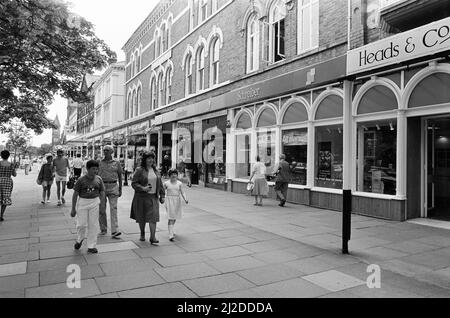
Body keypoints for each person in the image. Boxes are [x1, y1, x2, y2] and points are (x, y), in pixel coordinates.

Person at [70, 160, 106, 254]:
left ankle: (91, 246)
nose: (95, 171)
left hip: (94, 203)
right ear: (87, 169)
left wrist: (102, 205)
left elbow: (102, 192)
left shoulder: (99, 179)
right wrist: (73, 208)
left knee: (93, 225)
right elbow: (75, 194)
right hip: (83, 203)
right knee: (81, 224)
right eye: (93, 169)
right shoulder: (81, 180)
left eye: (96, 169)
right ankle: (80, 239)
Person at [131, 151, 165, 244]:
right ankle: (142, 233)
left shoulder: (156, 170)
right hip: (142, 197)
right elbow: (133, 183)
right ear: (144, 160)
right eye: (148, 158)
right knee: (142, 217)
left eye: (152, 158)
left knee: (153, 217)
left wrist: (162, 195)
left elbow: (160, 184)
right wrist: (143, 188)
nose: (151, 160)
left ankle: (152, 237)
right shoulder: (139, 170)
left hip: (153, 197)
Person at [98, 145, 123, 239]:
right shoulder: (99, 162)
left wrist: (120, 188)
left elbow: (120, 175)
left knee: (114, 208)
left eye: (107, 150)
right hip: (102, 187)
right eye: (104, 150)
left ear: (112, 152)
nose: (105, 151)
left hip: (113, 186)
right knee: (102, 209)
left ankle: (115, 230)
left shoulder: (117, 163)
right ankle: (103, 228)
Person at [164, 169, 188, 242]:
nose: (174, 175)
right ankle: (170, 234)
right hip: (169, 201)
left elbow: (182, 192)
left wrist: (185, 199)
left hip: (177, 201)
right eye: (172, 174)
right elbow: (162, 191)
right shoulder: (166, 183)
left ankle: (171, 229)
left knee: (174, 217)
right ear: (169, 175)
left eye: (175, 174)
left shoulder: (179, 183)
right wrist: (161, 198)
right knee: (171, 217)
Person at [0, 151, 17, 222]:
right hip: (7, 182)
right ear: (8, 156)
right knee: (5, 198)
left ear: (1, 156)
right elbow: (14, 174)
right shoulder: (11, 164)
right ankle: (1, 215)